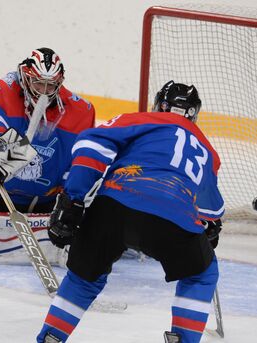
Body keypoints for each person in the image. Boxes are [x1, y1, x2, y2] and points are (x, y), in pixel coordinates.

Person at [37, 81, 224, 343]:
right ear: (194, 114)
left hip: (112, 207)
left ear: (160, 104)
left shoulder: (140, 119)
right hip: (171, 218)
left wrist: (73, 199)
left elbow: (91, 145)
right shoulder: (208, 151)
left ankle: (51, 338)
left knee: (83, 278)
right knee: (202, 274)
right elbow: (211, 208)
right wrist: (211, 227)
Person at [0, 48, 95, 265]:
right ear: (25, 76)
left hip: (49, 202)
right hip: (1, 197)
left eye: (51, 85)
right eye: (38, 83)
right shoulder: (2, 90)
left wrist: (70, 202)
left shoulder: (81, 111)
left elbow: (80, 162)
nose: (44, 91)